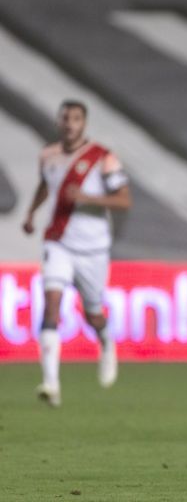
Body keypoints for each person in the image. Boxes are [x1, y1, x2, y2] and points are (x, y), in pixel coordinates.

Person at [21, 100, 132, 407]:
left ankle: (107, 342)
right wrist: (31, 214)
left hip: (93, 248)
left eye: (76, 118)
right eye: (65, 118)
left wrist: (87, 197)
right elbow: (45, 186)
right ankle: (50, 384)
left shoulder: (103, 158)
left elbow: (124, 200)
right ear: (58, 122)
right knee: (51, 304)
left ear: (84, 123)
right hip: (58, 242)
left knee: (92, 312)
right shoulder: (49, 156)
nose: (70, 123)